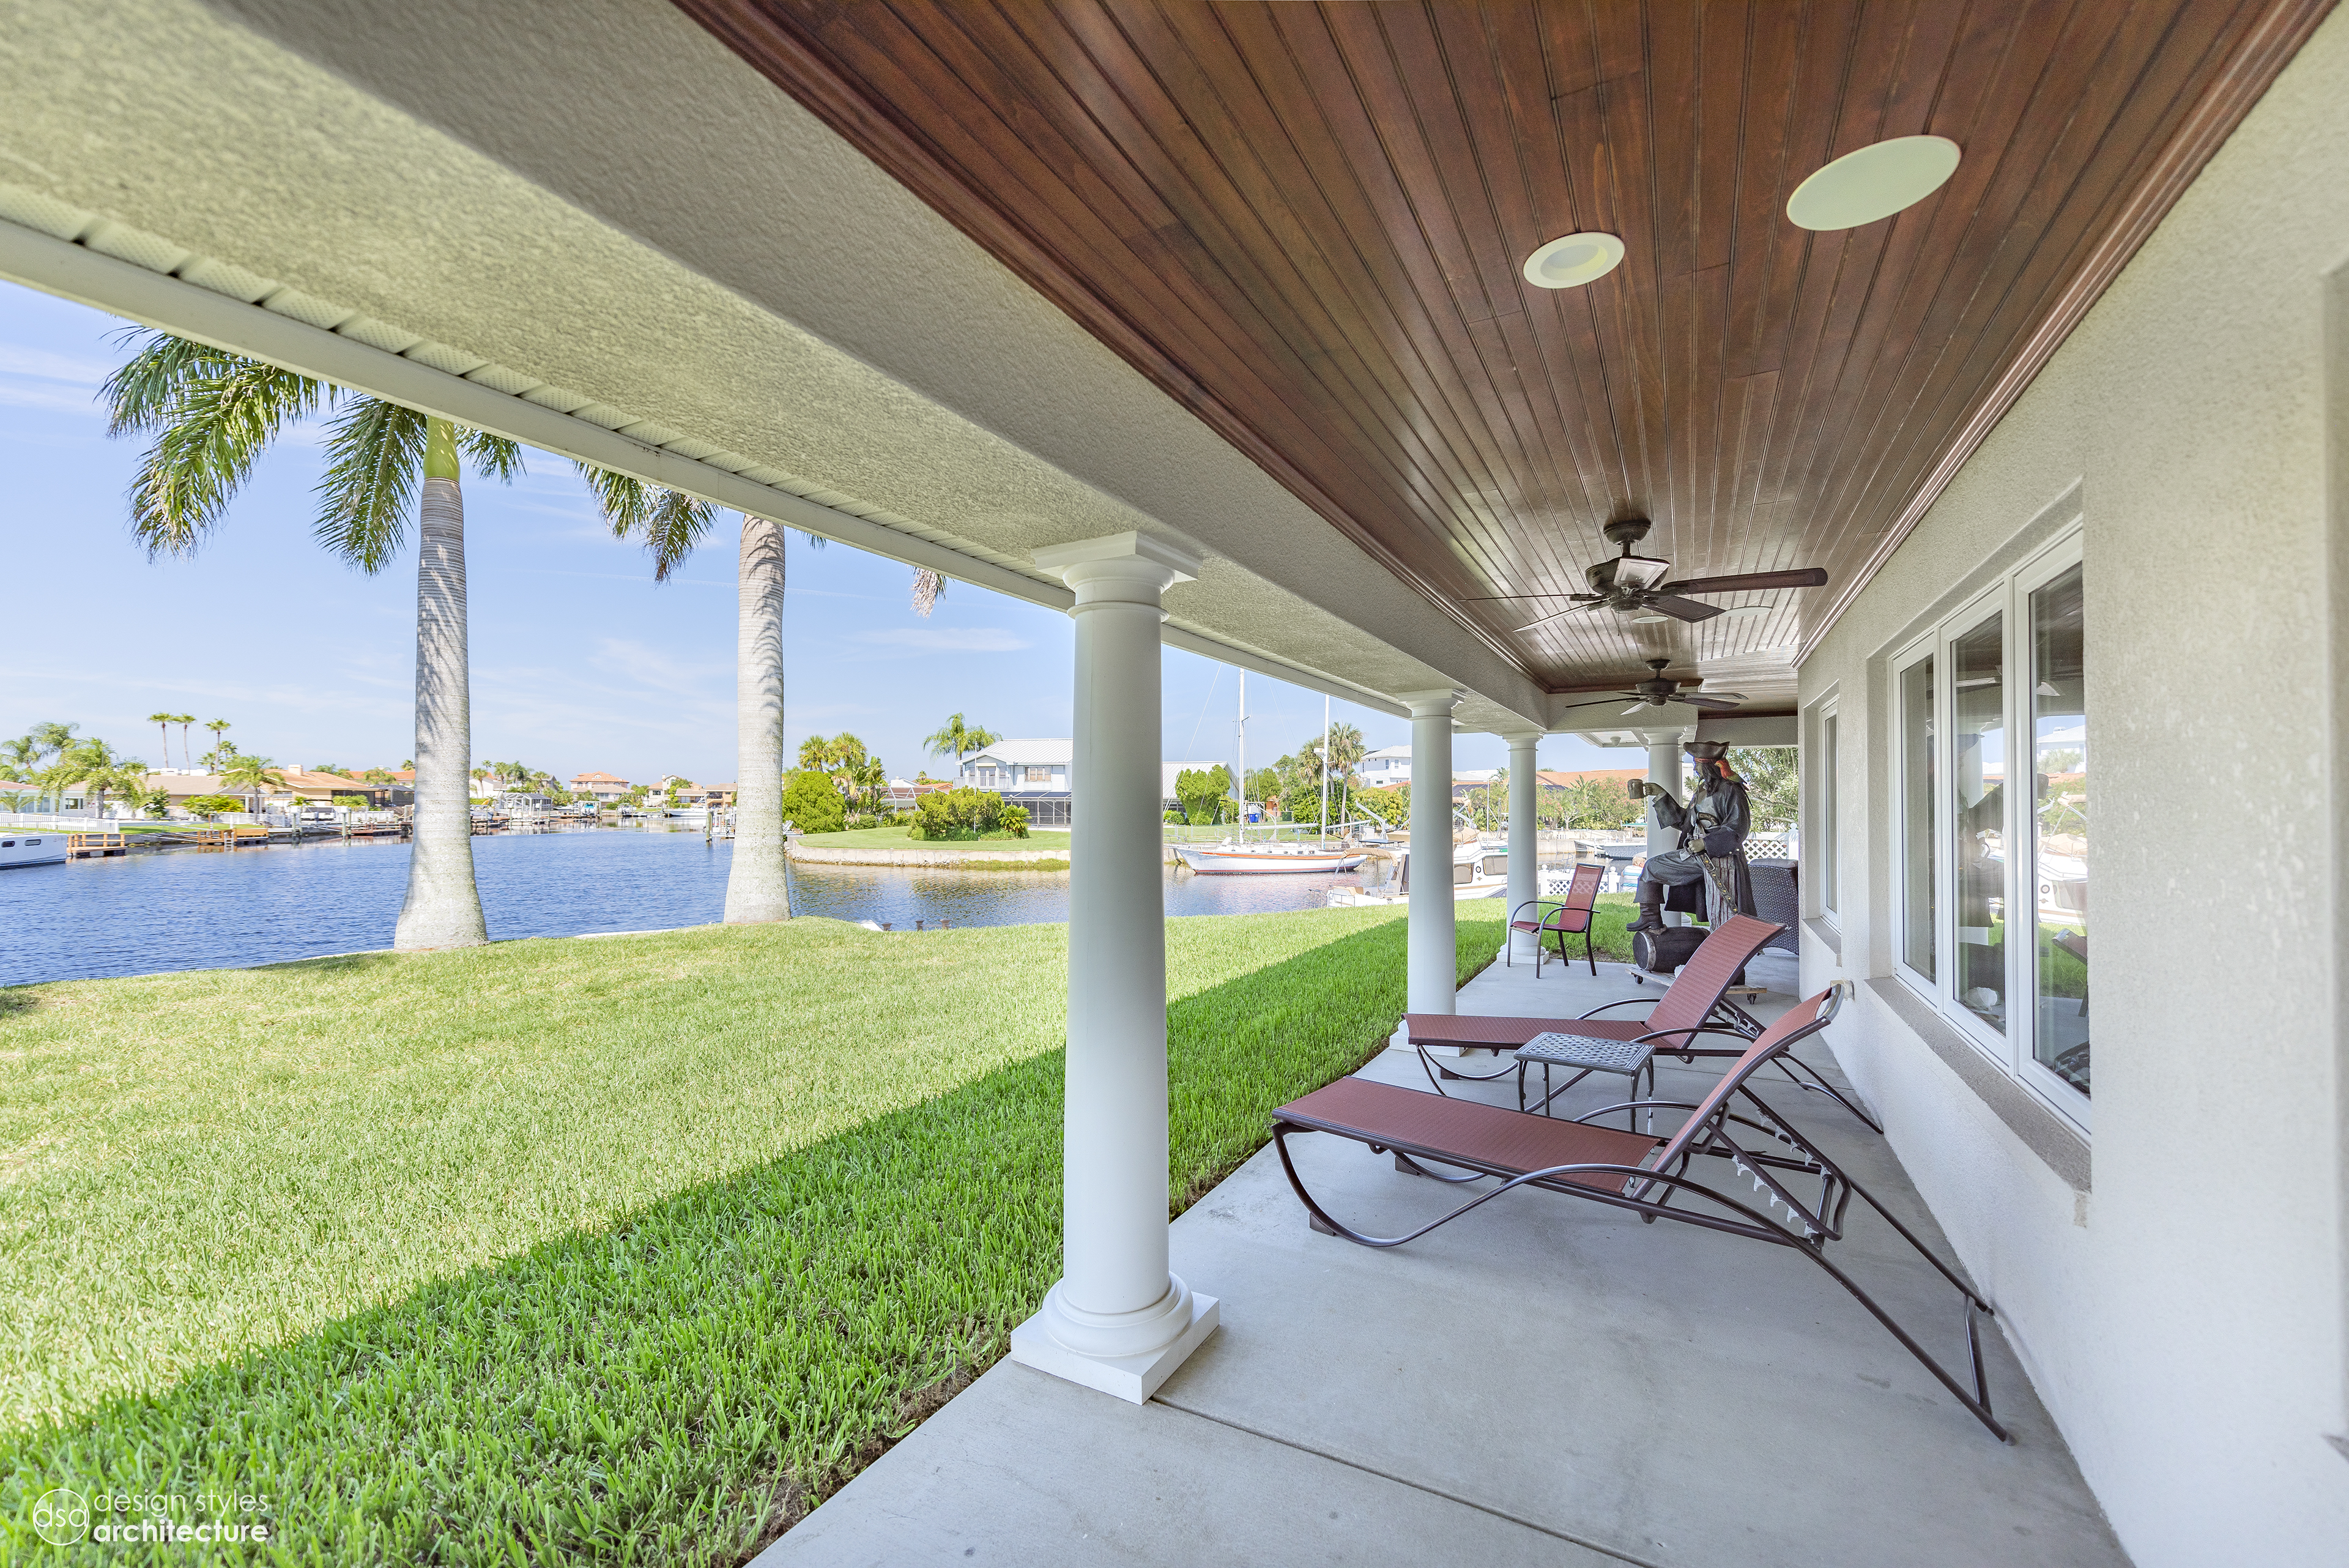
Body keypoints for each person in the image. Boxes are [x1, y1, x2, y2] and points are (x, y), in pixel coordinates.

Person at [1625, 741, 1754, 934]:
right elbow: (1686, 822)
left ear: (1708, 766)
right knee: (1651, 868)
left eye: (1697, 764)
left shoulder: (1731, 790)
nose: (1695, 768)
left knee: (1724, 915)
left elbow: (1739, 828)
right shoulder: (1702, 792)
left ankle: (1728, 955)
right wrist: (1660, 795)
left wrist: (1705, 842)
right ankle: (1649, 917)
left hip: (1723, 861)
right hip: (1696, 856)